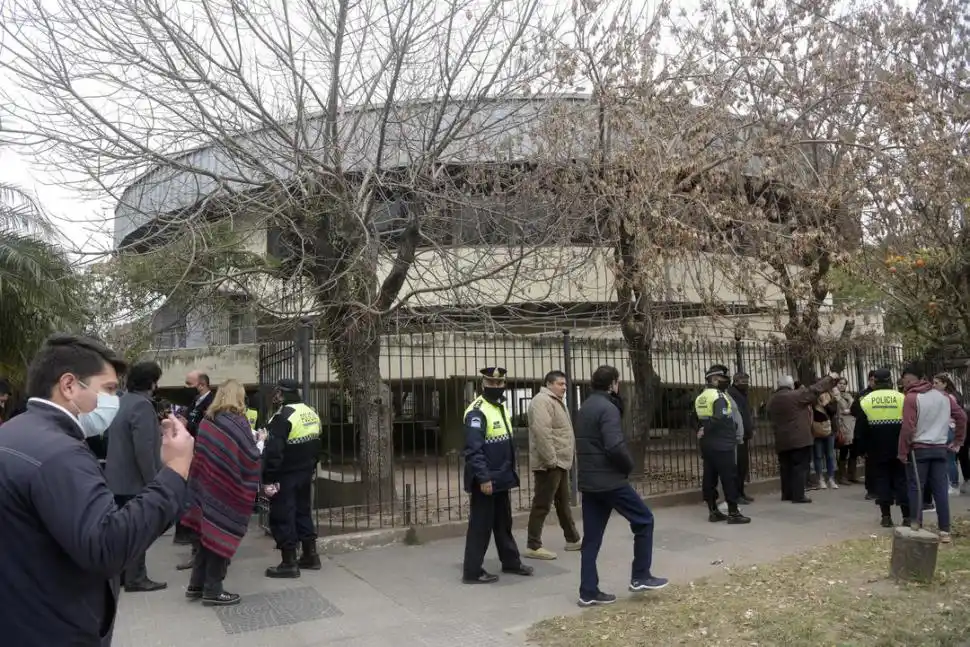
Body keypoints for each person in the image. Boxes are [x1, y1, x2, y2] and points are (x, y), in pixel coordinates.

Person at [0, 333, 193, 646]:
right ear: (69, 386)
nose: (114, 402)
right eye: (108, 389)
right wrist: (175, 471)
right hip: (55, 627)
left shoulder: (14, 432)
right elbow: (108, 546)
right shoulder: (59, 453)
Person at [574, 365, 667, 607]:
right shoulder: (608, 408)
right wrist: (628, 466)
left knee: (591, 539)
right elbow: (614, 445)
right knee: (644, 520)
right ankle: (640, 576)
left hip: (590, 482)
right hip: (610, 481)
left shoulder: (585, 407)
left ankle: (588, 591)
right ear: (613, 384)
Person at [181, 379, 261, 606]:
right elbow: (251, 456)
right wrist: (258, 445)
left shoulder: (207, 422)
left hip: (206, 486)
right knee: (221, 532)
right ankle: (213, 589)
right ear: (238, 396)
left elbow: (203, 454)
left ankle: (196, 585)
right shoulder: (239, 422)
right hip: (228, 489)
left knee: (206, 534)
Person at [461, 367, 534, 584]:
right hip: (487, 480)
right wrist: (483, 478)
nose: (495, 387)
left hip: (501, 477)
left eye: (499, 383)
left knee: (503, 523)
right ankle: (472, 572)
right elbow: (473, 450)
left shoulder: (500, 408)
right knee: (480, 526)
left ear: (504, 385)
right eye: (491, 383)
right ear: (483, 384)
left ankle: (511, 562)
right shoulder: (477, 411)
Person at [104, 360, 167, 592]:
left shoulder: (121, 402)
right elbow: (144, 449)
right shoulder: (142, 406)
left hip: (116, 481)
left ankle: (122, 575)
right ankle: (136, 578)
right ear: (152, 383)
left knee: (123, 532)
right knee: (139, 531)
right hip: (134, 482)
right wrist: (154, 483)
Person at [899, 365, 967, 542]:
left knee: (916, 487)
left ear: (910, 380)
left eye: (905, 380)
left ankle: (916, 525)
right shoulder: (944, 397)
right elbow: (961, 417)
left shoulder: (911, 398)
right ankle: (944, 530)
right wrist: (958, 441)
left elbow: (907, 427)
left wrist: (902, 452)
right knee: (940, 490)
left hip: (919, 448)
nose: (904, 384)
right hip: (940, 447)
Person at [262, 378, 323, 578]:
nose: (275, 396)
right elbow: (318, 444)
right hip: (305, 472)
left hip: (285, 475)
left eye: (276, 392)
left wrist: (268, 478)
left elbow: (274, 451)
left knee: (282, 515)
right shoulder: (310, 412)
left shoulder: (283, 416)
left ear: (281, 393)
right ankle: (310, 555)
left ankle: (289, 562)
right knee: (302, 512)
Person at [524, 370, 582, 561]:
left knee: (563, 502)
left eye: (565, 384)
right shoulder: (542, 401)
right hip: (550, 463)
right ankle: (533, 545)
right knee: (542, 503)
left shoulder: (554, 401)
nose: (564, 387)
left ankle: (572, 539)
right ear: (548, 384)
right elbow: (542, 433)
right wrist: (551, 461)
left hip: (559, 462)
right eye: (560, 384)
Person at [767, 373, 838, 504]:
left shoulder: (772, 400)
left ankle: (787, 493)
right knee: (799, 466)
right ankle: (798, 495)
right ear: (791, 385)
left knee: (785, 467)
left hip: (781, 439)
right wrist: (830, 378)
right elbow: (815, 389)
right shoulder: (795, 396)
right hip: (799, 438)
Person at [695, 365, 750, 524]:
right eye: (723, 379)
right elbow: (720, 417)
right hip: (723, 443)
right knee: (729, 478)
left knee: (709, 477)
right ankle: (733, 513)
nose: (726, 381)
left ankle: (713, 511)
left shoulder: (701, 396)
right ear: (714, 379)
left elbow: (695, 418)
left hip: (708, 445)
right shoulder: (718, 396)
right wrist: (706, 428)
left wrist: (701, 429)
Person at [857, 369, 910, 528]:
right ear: (890, 381)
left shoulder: (866, 400)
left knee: (882, 480)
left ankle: (886, 516)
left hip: (876, 447)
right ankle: (906, 516)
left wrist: (861, 449)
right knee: (901, 480)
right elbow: (909, 423)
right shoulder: (901, 397)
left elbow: (860, 428)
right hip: (898, 445)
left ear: (875, 381)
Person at [174, 370, 215, 550]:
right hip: (189, 453)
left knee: (198, 498)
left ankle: (200, 544)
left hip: (201, 455)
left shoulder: (212, 403)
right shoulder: (194, 402)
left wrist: (187, 425)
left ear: (201, 385)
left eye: (189, 384)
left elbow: (208, 428)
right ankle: (189, 537)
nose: (186, 387)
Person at [933, 373, 963, 495]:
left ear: (945, 384)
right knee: (948, 459)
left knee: (949, 459)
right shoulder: (948, 396)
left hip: (948, 428)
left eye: (937, 383)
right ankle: (952, 484)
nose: (934, 385)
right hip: (947, 428)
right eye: (933, 383)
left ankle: (953, 484)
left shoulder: (948, 397)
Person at [727, 372, 755, 504]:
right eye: (743, 381)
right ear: (736, 381)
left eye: (747, 381)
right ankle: (736, 494)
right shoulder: (732, 393)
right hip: (738, 435)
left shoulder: (742, 394)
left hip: (744, 435)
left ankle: (741, 491)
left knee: (743, 466)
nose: (746, 384)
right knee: (737, 466)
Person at [851, 371, 878, 499]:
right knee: (870, 463)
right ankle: (871, 490)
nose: (874, 382)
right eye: (872, 379)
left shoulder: (883, 394)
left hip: (881, 431)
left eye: (876, 380)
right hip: (867, 432)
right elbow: (854, 410)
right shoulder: (862, 394)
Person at [811, 391, 838, 489]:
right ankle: (820, 479)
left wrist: (825, 404)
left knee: (830, 455)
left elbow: (833, 411)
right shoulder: (813, 401)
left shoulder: (831, 399)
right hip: (817, 431)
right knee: (818, 456)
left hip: (829, 431)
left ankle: (831, 478)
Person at [833, 379, 856, 485]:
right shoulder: (835, 396)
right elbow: (842, 408)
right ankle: (842, 476)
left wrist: (850, 409)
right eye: (840, 383)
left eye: (844, 384)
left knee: (853, 450)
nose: (842, 385)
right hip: (841, 424)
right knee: (843, 450)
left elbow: (852, 408)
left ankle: (852, 474)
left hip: (851, 424)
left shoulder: (849, 395)